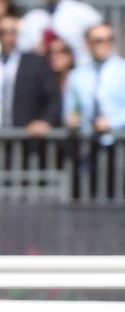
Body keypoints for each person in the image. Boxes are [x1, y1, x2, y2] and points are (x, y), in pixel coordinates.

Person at [64, 22, 125, 198]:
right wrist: (72, 118)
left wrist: (112, 123)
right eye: (99, 40)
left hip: (120, 145)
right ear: (88, 44)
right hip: (90, 148)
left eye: (109, 39)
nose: (105, 44)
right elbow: (70, 108)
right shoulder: (78, 75)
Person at [0, 15, 59, 134]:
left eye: (12, 32)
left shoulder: (35, 63)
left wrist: (45, 121)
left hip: (24, 136)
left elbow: (52, 96)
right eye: (3, 33)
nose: (8, 37)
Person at [18, 0, 102, 66]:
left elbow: (102, 37)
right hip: (44, 78)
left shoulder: (84, 13)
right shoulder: (32, 18)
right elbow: (22, 52)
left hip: (79, 73)